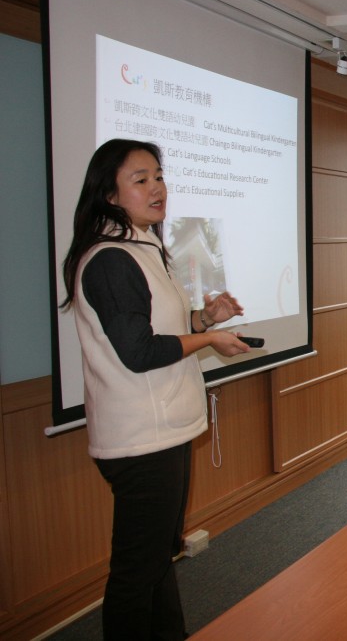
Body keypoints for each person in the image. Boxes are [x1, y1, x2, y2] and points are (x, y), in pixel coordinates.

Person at [61, 139, 250, 640]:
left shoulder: (143, 249)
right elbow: (138, 351)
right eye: (140, 179)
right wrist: (208, 339)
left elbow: (161, 329)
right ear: (109, 195)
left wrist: (204, 318)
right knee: (137, 571)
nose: (157, 188)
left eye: (159, 176)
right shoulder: (110, 259)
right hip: (140, 437)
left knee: (158, 559)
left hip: (164, 429)